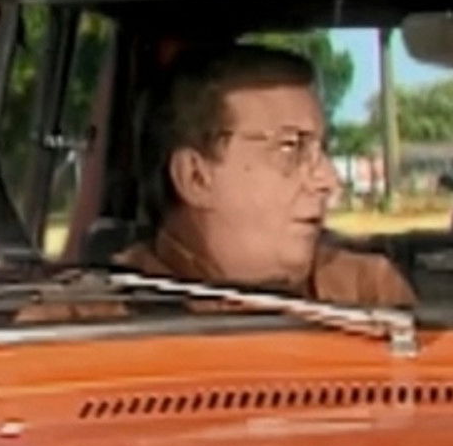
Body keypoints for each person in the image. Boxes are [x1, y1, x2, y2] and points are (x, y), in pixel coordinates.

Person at [116, 43, 415, 307]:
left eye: (322, 149)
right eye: (291, 147)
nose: (329, 180)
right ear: (195, 177)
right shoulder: (102, 317)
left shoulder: (368, 292)